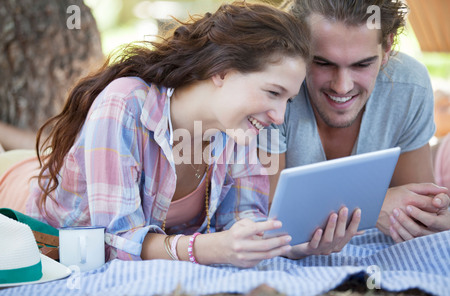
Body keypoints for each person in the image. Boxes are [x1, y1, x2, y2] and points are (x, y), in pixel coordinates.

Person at [0, 2, 361, 268]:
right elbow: (115, 242)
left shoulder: (241, 130)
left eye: (288, 100)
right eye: (272, 93)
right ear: (222, 71)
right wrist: (202, 249)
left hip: (66, 164)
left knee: (46, 153)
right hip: (23, 192)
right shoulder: (125, 105)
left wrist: (291, 245)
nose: (279, 116)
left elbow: (242, 222)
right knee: (18, 158)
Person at [259, 0, 450, 244]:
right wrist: (373, 207)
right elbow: (265, 216)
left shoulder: (409, 86)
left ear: (387, 47)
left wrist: (432, 213)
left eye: (362, 64)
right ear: (299, 50)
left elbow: (418, 212)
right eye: (323, 63)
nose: (342, 86)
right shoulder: (277, 92)